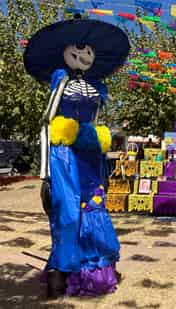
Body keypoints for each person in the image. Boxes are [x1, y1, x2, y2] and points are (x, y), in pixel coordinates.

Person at [24, 14, 130, 297]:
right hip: (63, 154)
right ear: (65, 53)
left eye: (88, 51)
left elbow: (94, 120)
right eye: (78, 50)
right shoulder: (60, 81)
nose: (83, 55)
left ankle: (93, 272)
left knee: (93, 206)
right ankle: (61, 272)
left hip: (89, 153)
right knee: (68, 212)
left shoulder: (97, 89)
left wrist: (103, 158)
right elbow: (48, 122)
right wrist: (45, 173)